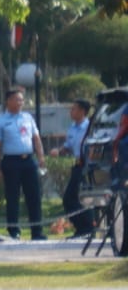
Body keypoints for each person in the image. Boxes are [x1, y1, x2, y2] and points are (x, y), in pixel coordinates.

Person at [0, 87, 45, 240]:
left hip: (28, 160)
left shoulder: (28, 118)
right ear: (8, 101)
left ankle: (37, 231)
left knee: (34, 196)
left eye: (22, 100)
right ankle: (14, 231)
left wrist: (41, 157)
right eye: (17, 99)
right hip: (11, 162)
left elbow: (36, 138)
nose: (20, 103)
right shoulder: (0, 121)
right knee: (12, 197)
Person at [62, 99, 95, 237]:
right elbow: (68, 146)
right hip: (77, 165)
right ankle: (81, 228)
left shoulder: (89, 128)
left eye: (74, 109)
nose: (71, 111)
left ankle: (87, 229)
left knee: (81, 198)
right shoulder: (72, 127)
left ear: (82, 111)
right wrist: (59, 150)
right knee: (70, 198)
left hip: (87, 165)